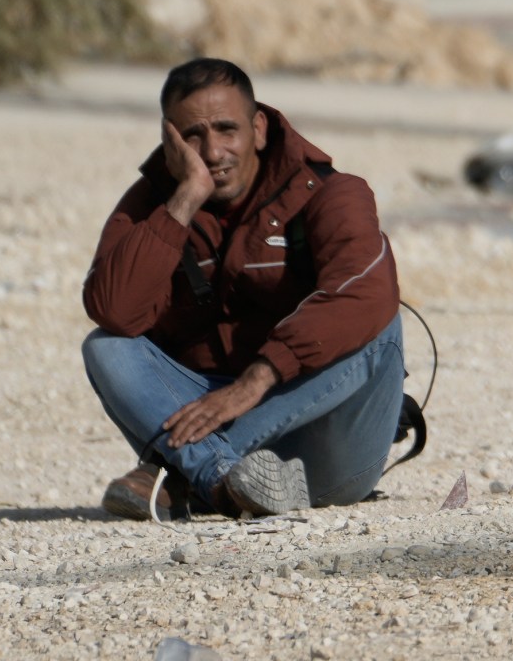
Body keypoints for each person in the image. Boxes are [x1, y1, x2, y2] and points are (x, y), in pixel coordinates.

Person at [82, 58, 406, 518]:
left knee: (375, 319)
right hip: (208, 415)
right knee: (106, 347)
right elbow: (113, 309)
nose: (212, 152)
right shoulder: (157, 204)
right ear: (169, 140)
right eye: (193, 136)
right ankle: (221, 480)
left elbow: (365, 292)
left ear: (258, 129)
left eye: (226, 129)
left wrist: (257, 379)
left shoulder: (332, 193)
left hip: (327, 453)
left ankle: (185, 475)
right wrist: (184, 201)